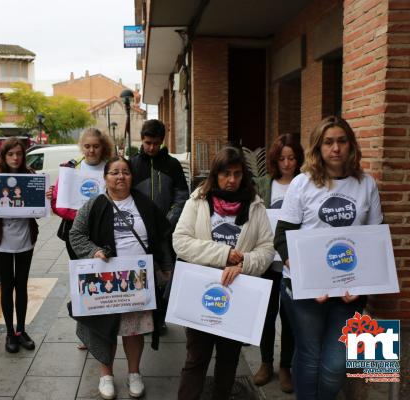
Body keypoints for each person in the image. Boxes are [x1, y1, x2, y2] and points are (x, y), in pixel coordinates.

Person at [274, 116, 383, 400]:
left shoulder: (366, 185)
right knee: (309, 357)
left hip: (349, 291)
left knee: (336, 364)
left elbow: (374, 240)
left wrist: (360, 286)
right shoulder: (302, 184)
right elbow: (282, 238)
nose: (336, 148)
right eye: (328, 142)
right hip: (306, 292)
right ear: (318, 148)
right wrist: (310, 280)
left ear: (351, 145)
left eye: (342, 141)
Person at [172, 147, 275, 400]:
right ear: (215, 174)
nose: (231, 180)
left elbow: (267, 249)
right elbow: (180, 241)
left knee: (229, 358)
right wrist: (224, 254)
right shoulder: (198, 201)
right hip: (202, 293)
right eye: (225, 173)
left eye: (237, 174)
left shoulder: (254, 205)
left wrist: (243, 264)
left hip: (237, 294)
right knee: (196, 358)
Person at [69, 156, 174, 399]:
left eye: (125, 172)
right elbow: (76, 235)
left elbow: (160, 237)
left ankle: (134, 373)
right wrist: (93, 251)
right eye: (114, 172)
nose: (120, 177)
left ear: (132, 177)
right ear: (105, 178)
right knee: (104, 328)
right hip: (105, 279)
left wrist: (166, 266)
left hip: (138, 279)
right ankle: (106, 375)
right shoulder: (94, 205)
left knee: (134, 329)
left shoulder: (144, 205)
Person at [251, 134, 303, 393]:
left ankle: (285, 367)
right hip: (267, 262)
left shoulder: (306, 184)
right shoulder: (262, 184)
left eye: (292, 158)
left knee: (290, 315)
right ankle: (265, 363)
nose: (287, 163)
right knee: (266, 314)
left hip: (294, 262)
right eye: (282, 158)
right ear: (274, 159)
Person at [0, 138, 39, 353]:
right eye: (10, 154)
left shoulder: (30, 176)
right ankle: (9, 332)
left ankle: (21, 330)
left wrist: (45, 198)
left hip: (25, 238)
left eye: (19, 154)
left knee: (21, 285)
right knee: (7, 285)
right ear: (3, 156)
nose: (15, 158)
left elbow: (38, 212)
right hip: (0, 240)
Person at [48, 128, 115, 260]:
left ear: (103, 147)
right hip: (76, 230)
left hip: (103, 229)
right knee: (79, 271)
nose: (91, 150)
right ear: (81, 147)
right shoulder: (70, 168)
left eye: (96, 146)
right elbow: (58, 201)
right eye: (87, 146)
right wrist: (78, 215)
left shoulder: (111, 167)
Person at [129, 119, 189, 230]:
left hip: (167, 229)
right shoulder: (132, 164)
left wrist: (168, 222)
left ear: (162, 141)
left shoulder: (173, 164)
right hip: (139, 227)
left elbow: (182, 197)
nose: (151, 147)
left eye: (156, 143)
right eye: (148, 143)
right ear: (142, 139)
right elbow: (126, 196)